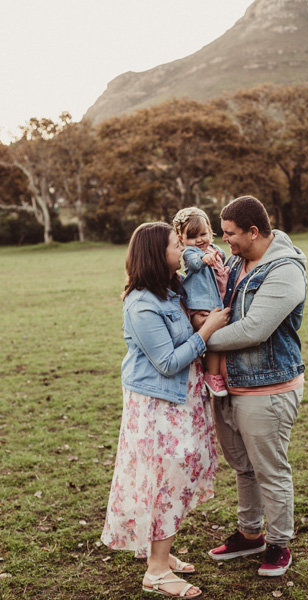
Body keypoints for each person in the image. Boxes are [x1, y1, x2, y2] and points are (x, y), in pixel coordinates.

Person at [101, 222, 231, 598]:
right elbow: (168, 362)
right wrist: (206, 332)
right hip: (158, 407)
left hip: (181, 402)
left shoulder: (171, 290)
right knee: (165, 481)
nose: (183, 249)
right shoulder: (142, 303)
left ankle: (163, 552)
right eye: (177, 244)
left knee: (181, 473)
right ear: (157, 254)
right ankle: (156, 571)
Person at [193, 196, 307, 577]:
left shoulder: (285, 270)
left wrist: (200, 340)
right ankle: (250, 534)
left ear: (254, 232)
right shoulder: (236, 261)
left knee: (269, 469)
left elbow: (255, 329)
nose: (224, 242)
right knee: (243, 467)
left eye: (230, 234)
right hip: (228, 385)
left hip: (268, 388)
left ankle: (278, 543)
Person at [172, 207, 230, 397]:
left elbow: (222, 258)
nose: (199, 240)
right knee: (212, 336)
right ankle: (211, 375)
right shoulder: (191, 253)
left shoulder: (214, 249)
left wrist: (216, 255)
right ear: (181, 239)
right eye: (192, 236)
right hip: (202, 303)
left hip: (214, 301)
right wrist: (205, 258)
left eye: (203, 234)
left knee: (219, 335)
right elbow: (196, 263)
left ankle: (217, 371)